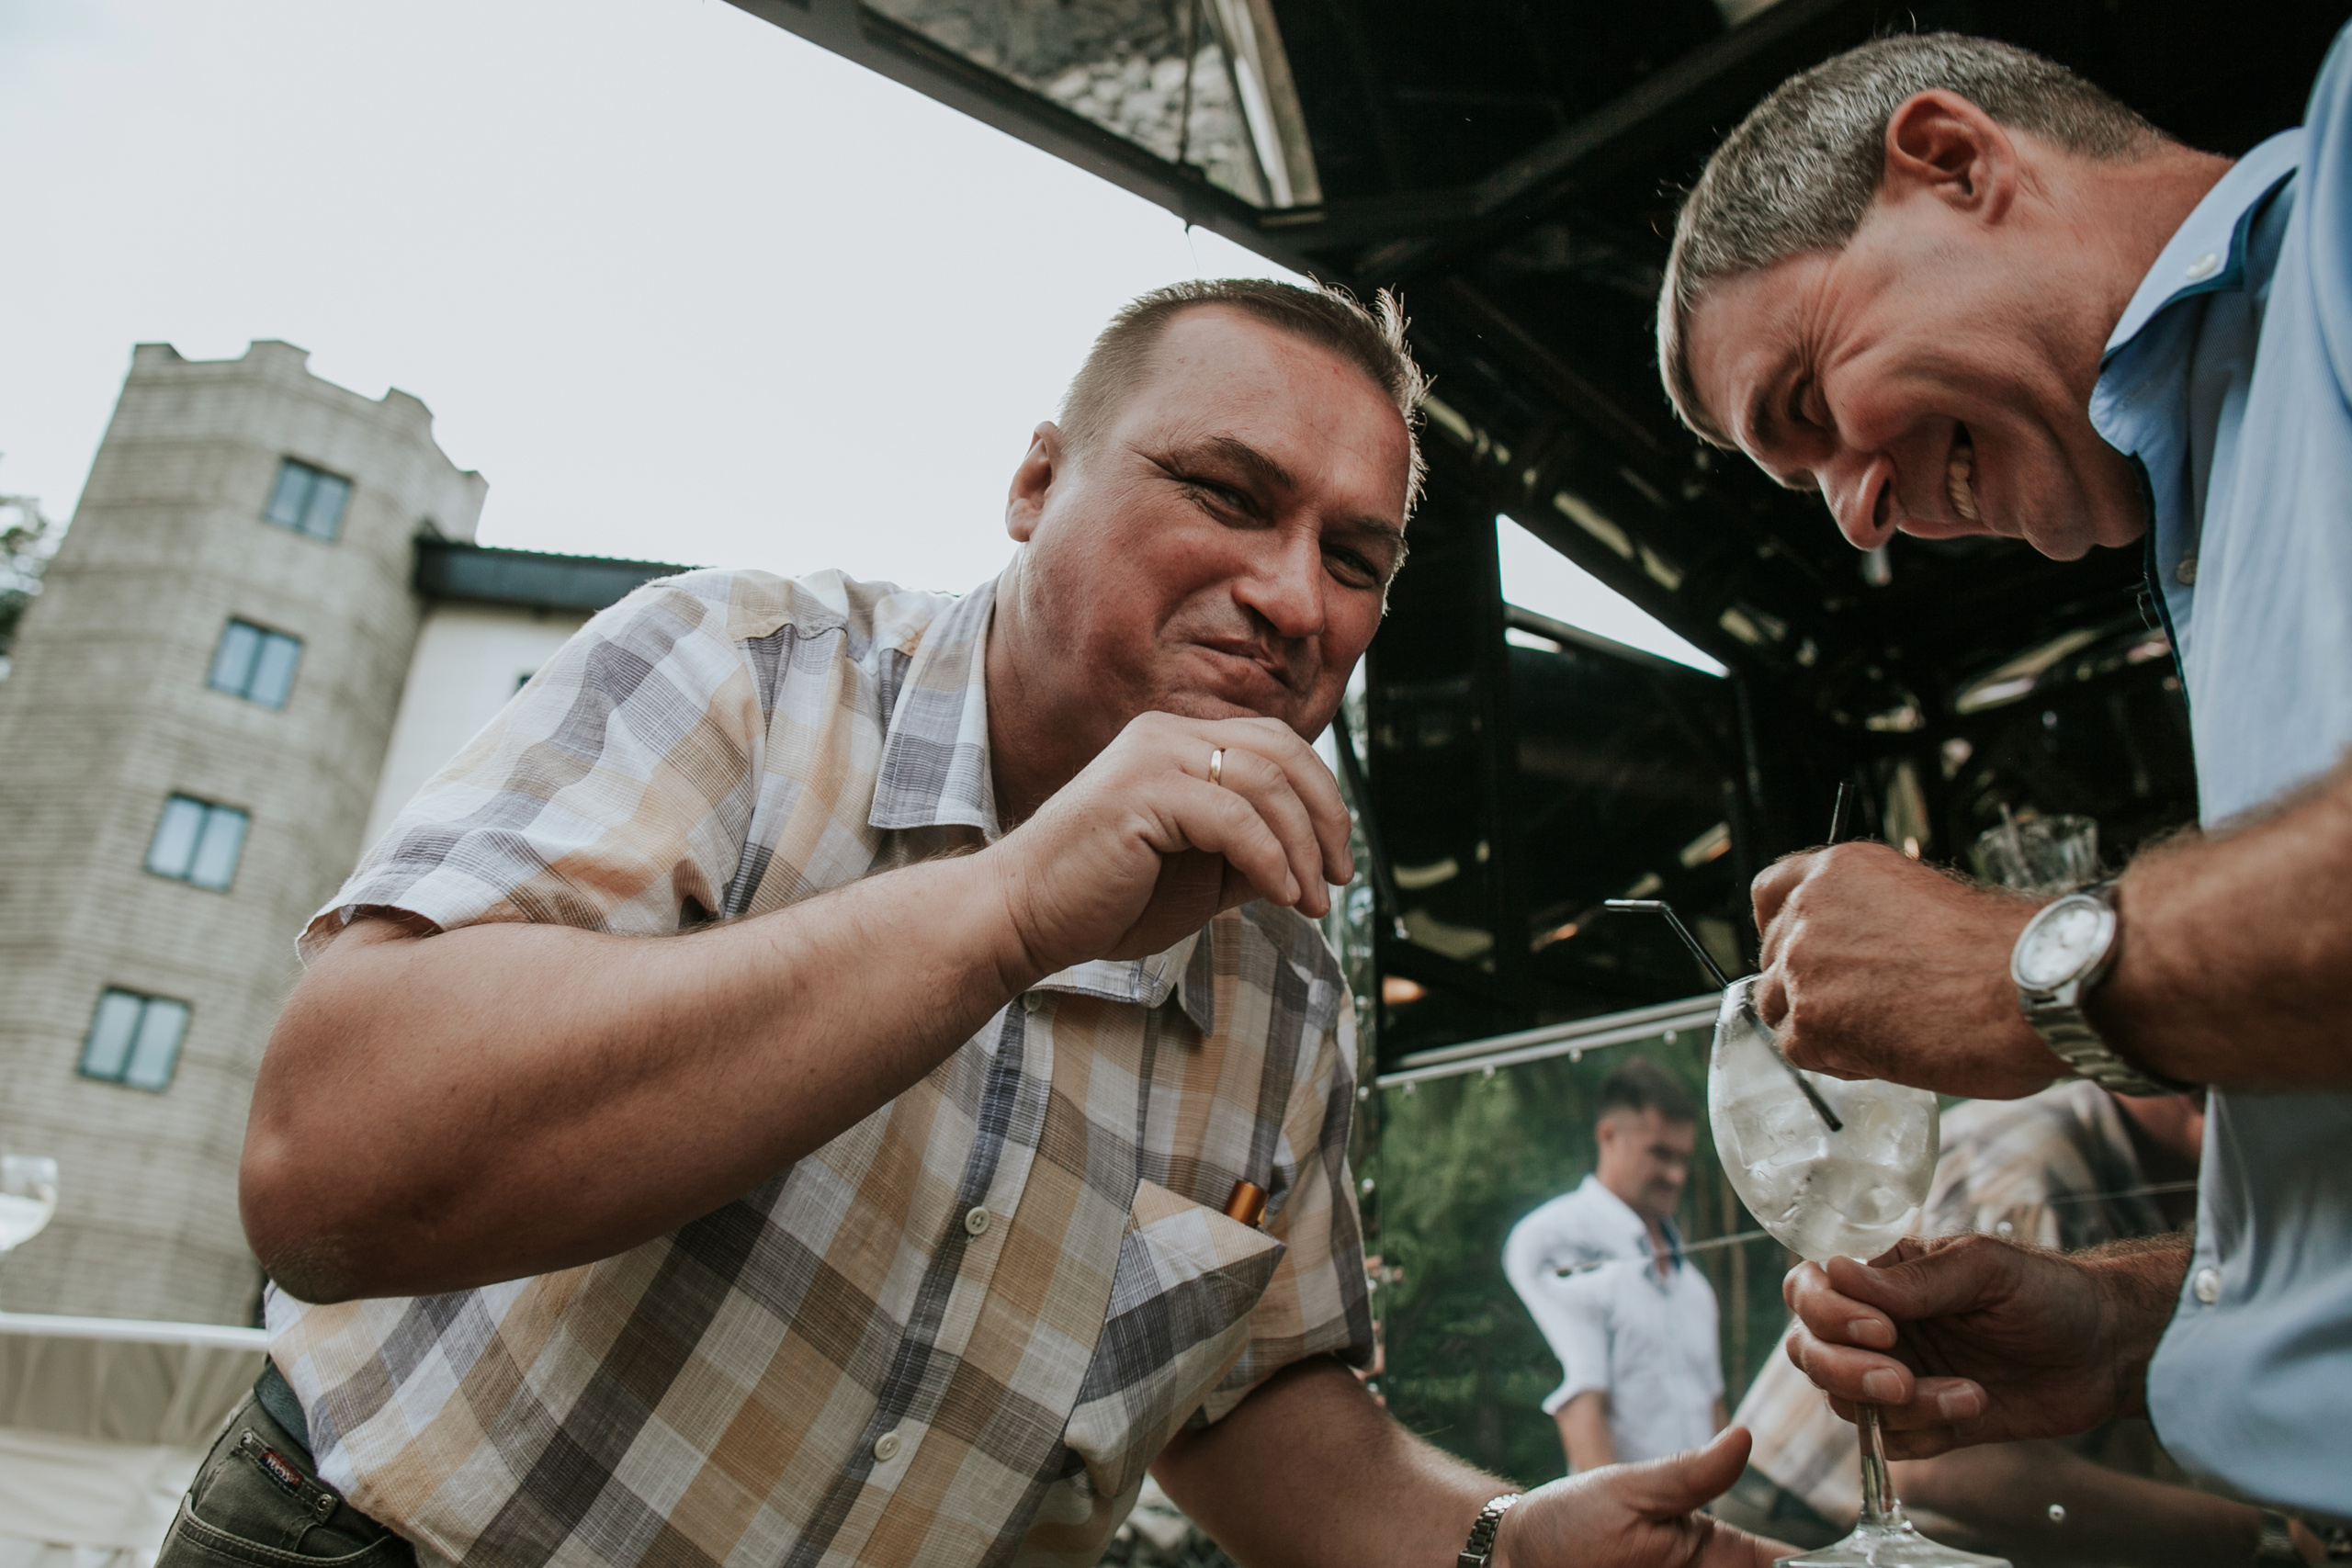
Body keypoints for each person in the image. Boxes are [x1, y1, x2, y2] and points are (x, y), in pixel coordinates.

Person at [159, 280, 1786, 1568]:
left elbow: (1251, 1405)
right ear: (1034, 481)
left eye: (1354, 558)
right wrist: (1007, 906)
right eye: (1228, 491)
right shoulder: (745, 676)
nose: (1298, 599)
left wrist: (1496, 1543)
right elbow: (327, 1170)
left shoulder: (1283, 976)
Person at [1656, 28, 2352, 1519]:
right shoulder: (2207, 495)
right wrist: (2140, 1322)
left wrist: (2028, 969)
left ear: (1954, 162)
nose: (1855, 516)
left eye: (1805, 404)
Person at [1720, 1083, 2326, 1562]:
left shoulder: (2180, 1177)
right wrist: (2265, 1538)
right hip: (1801, 1532)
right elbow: (1947, 1468)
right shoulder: (2031, 1171)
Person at [1504, 1058, 1725, 1475]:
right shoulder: (1549, 1240)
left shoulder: (1693, 1287)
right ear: (1608, 1136)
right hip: (1626, 1524)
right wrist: (1617, 1532)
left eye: (1683, 1158)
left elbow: (1712, 1406)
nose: (1676, 1175)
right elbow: (1580, 1402)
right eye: (1660, 1154)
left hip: (1701, 1521)